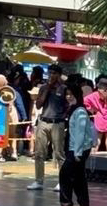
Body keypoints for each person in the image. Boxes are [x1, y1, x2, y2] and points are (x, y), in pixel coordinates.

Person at [27, 63, 67, 191]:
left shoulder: (64, 89)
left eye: (54, 73)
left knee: (59, 153)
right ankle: (38, 180)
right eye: (50, 73)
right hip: (43, 121)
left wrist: (63, 117)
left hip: (57, 123)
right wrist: (47, 89)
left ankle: (62, 182)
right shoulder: (44, 87)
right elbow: (38, 105)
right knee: (39, 153)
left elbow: (68, 105)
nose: (51, 75)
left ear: (59, 75)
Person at [59, 84, 95, 206]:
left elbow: (80, 133)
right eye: (67, 94)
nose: (68, 97)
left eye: (71, 94)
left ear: (77, 95)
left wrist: (77, 152)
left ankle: (67, 203)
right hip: (76, 148)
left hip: (78, 149)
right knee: (78, 177)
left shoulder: (79, 111)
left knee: (65, 174)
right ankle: (83, 205)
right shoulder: (74, 109)